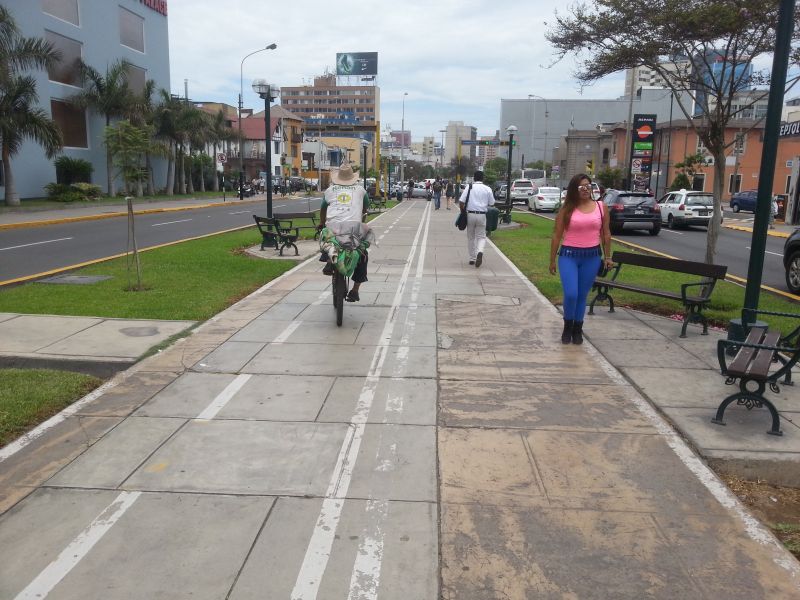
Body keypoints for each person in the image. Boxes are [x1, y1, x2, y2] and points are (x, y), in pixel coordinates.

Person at [549, 173, 612, 345]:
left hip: (591, 257)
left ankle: (578, 328)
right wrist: (552, 260)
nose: (585, 189)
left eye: (588, 186)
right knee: (571, 294)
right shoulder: (566, 209)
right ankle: (567, 326)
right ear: (573, 190)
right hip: (568, 255)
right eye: (580, 186)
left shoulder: (601, 207)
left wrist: (608, 256)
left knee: (582, 295)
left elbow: (606, 233)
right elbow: (556, 235)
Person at [319, 162, 371, 302]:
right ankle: (355, 291)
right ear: (352, 177)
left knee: (326, 241)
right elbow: (366, 207)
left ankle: (330, 259)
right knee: (362, 255)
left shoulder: (330, 190)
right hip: (353, 229)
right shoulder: (361, 190)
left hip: (333, 227)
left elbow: (323, 209)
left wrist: (321, 223)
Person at [458, 170, 495, 268]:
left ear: (474, 178)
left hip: (470, 214)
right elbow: (492, 203)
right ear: (483, 178)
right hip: (482, 215)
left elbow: (461, 201)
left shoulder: (469, 187)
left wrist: (462, 211)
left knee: (471, 237)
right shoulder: (488, 189)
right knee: (481, 237)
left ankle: (472, 258)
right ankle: (480, 252)